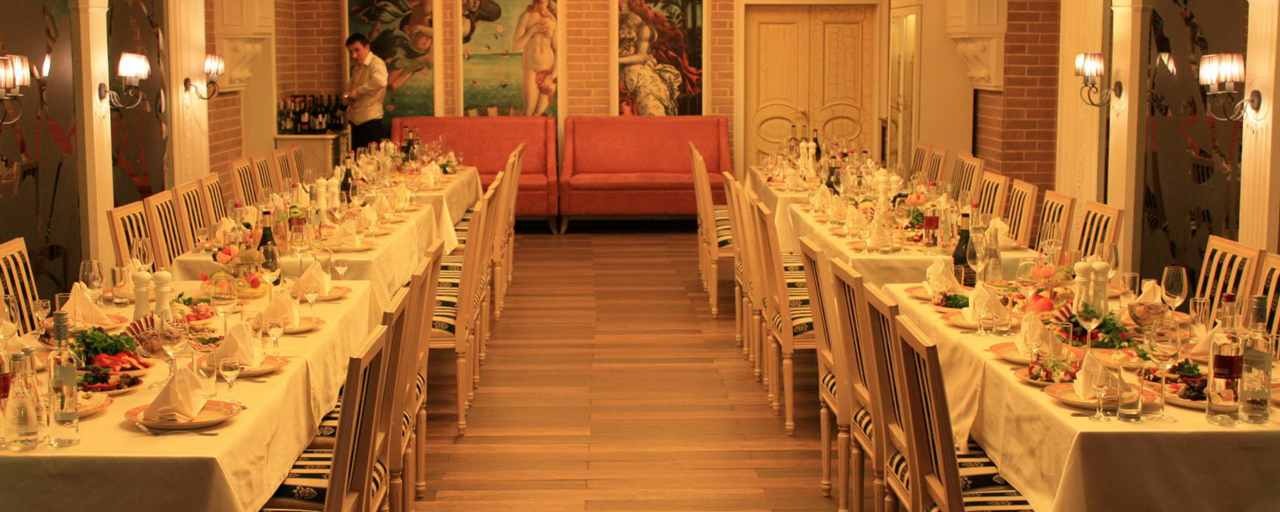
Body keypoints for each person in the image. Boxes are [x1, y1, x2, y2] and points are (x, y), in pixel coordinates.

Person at [344, 33, 389, 150]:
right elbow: (350, 89)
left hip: (370, 123)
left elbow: (380, 81)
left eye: (357, 50)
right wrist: (347, 96)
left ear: (367, 47)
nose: (354, 55)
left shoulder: (376, 63)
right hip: (356, 123)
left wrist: (359, 91)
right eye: (350, 52)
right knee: (356, 159)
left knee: (370, 159)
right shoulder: (357, 68)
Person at [512, 0, 557, 116]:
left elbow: (558, 50)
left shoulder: (553, 19)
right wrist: (532, 30)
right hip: (531, 69)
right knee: (528, 112)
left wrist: (552, 76)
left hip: (549, 70)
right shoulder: (526, 16)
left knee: (538, 113)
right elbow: (516, 46)